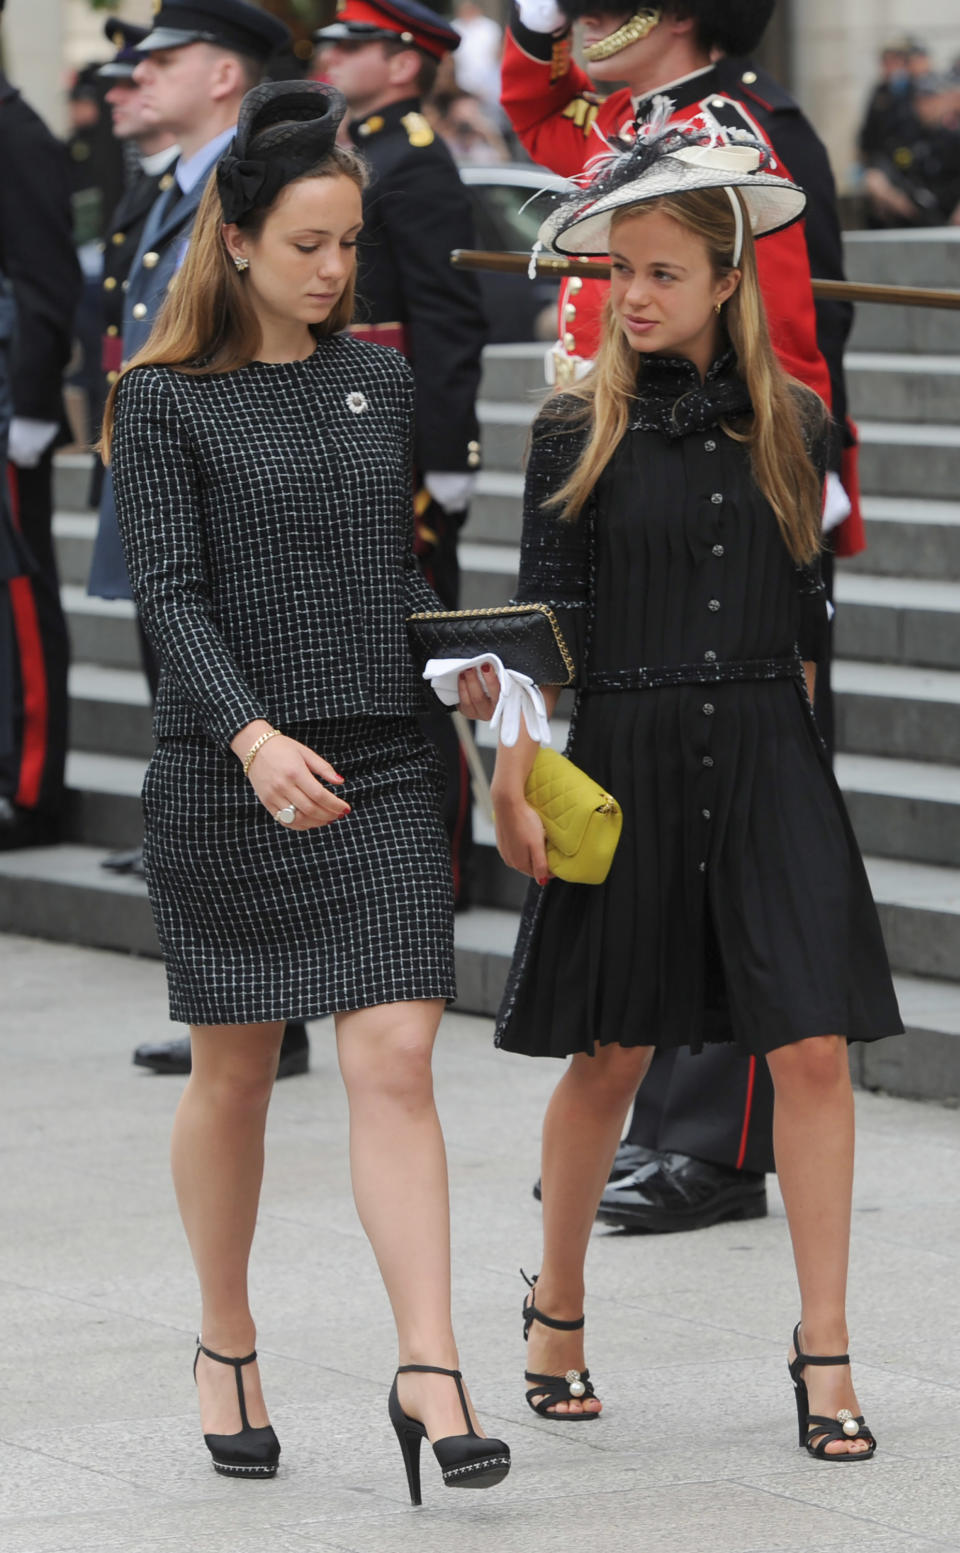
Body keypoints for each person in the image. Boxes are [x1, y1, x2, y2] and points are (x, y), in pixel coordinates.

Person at [459, 118, 903, 1456]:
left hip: (771, 752)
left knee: (814, 1049)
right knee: (612, 1053)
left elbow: (809, 620)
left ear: (726, 282)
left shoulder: (802, 428)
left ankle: (824, 1348)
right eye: (619, 273)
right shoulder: (567, 429)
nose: (634, 296)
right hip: (629, 754)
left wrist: (807, 766)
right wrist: (511, 777)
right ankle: (561, 1309)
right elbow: (545, 628)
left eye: (660, 272)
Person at [102, 78, 510, 1496]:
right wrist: (251, 738)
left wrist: (456, 656)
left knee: (396, 1056)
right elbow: (169, 597)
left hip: (388, 765)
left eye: (350, 244)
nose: (338, 271)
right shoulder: (156, 402)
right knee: (234, 1077)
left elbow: (379, 569)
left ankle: (433, 1365)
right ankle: (226, 1339)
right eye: (310, 245)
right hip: (234, 779)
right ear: (238, 241)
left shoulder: (379, 379)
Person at [503, 0, 865, 1230]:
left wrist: (784, 490)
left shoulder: (727, 132)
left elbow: (790, 341)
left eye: (608, 8)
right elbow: (540, 122)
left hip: (726, 499)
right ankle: (664, 1123)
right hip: (618, 485)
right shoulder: (640, 125)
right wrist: (535, 24)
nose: (588, 27)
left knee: (754, 893)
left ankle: (718, 1140)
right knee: (645, 908)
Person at [314, 0, 488, 908]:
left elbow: (447, 314)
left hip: (397, 449)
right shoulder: (352, 151)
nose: (331, 55)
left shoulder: (412, 159)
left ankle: (437, 862)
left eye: (352, 44)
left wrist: (447, 453)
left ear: (404, 61)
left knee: (420, 662)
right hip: (346, 440)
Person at [0, 5, 82, 850]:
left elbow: (45, 283)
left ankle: (34, 787)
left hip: (4, 407)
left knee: (20, 601)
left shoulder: (16, 134)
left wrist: (29, 408)